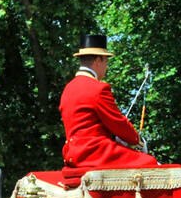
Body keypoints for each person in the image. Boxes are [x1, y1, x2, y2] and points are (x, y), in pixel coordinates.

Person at [60, 34, 159, 174]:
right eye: (106, 61)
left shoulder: (68, 89)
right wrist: (138, 141)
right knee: (150, 162)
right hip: (96, 154)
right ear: (98, 60)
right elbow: (118, 123)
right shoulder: (98, 88)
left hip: (72, 156)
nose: (106, 67)